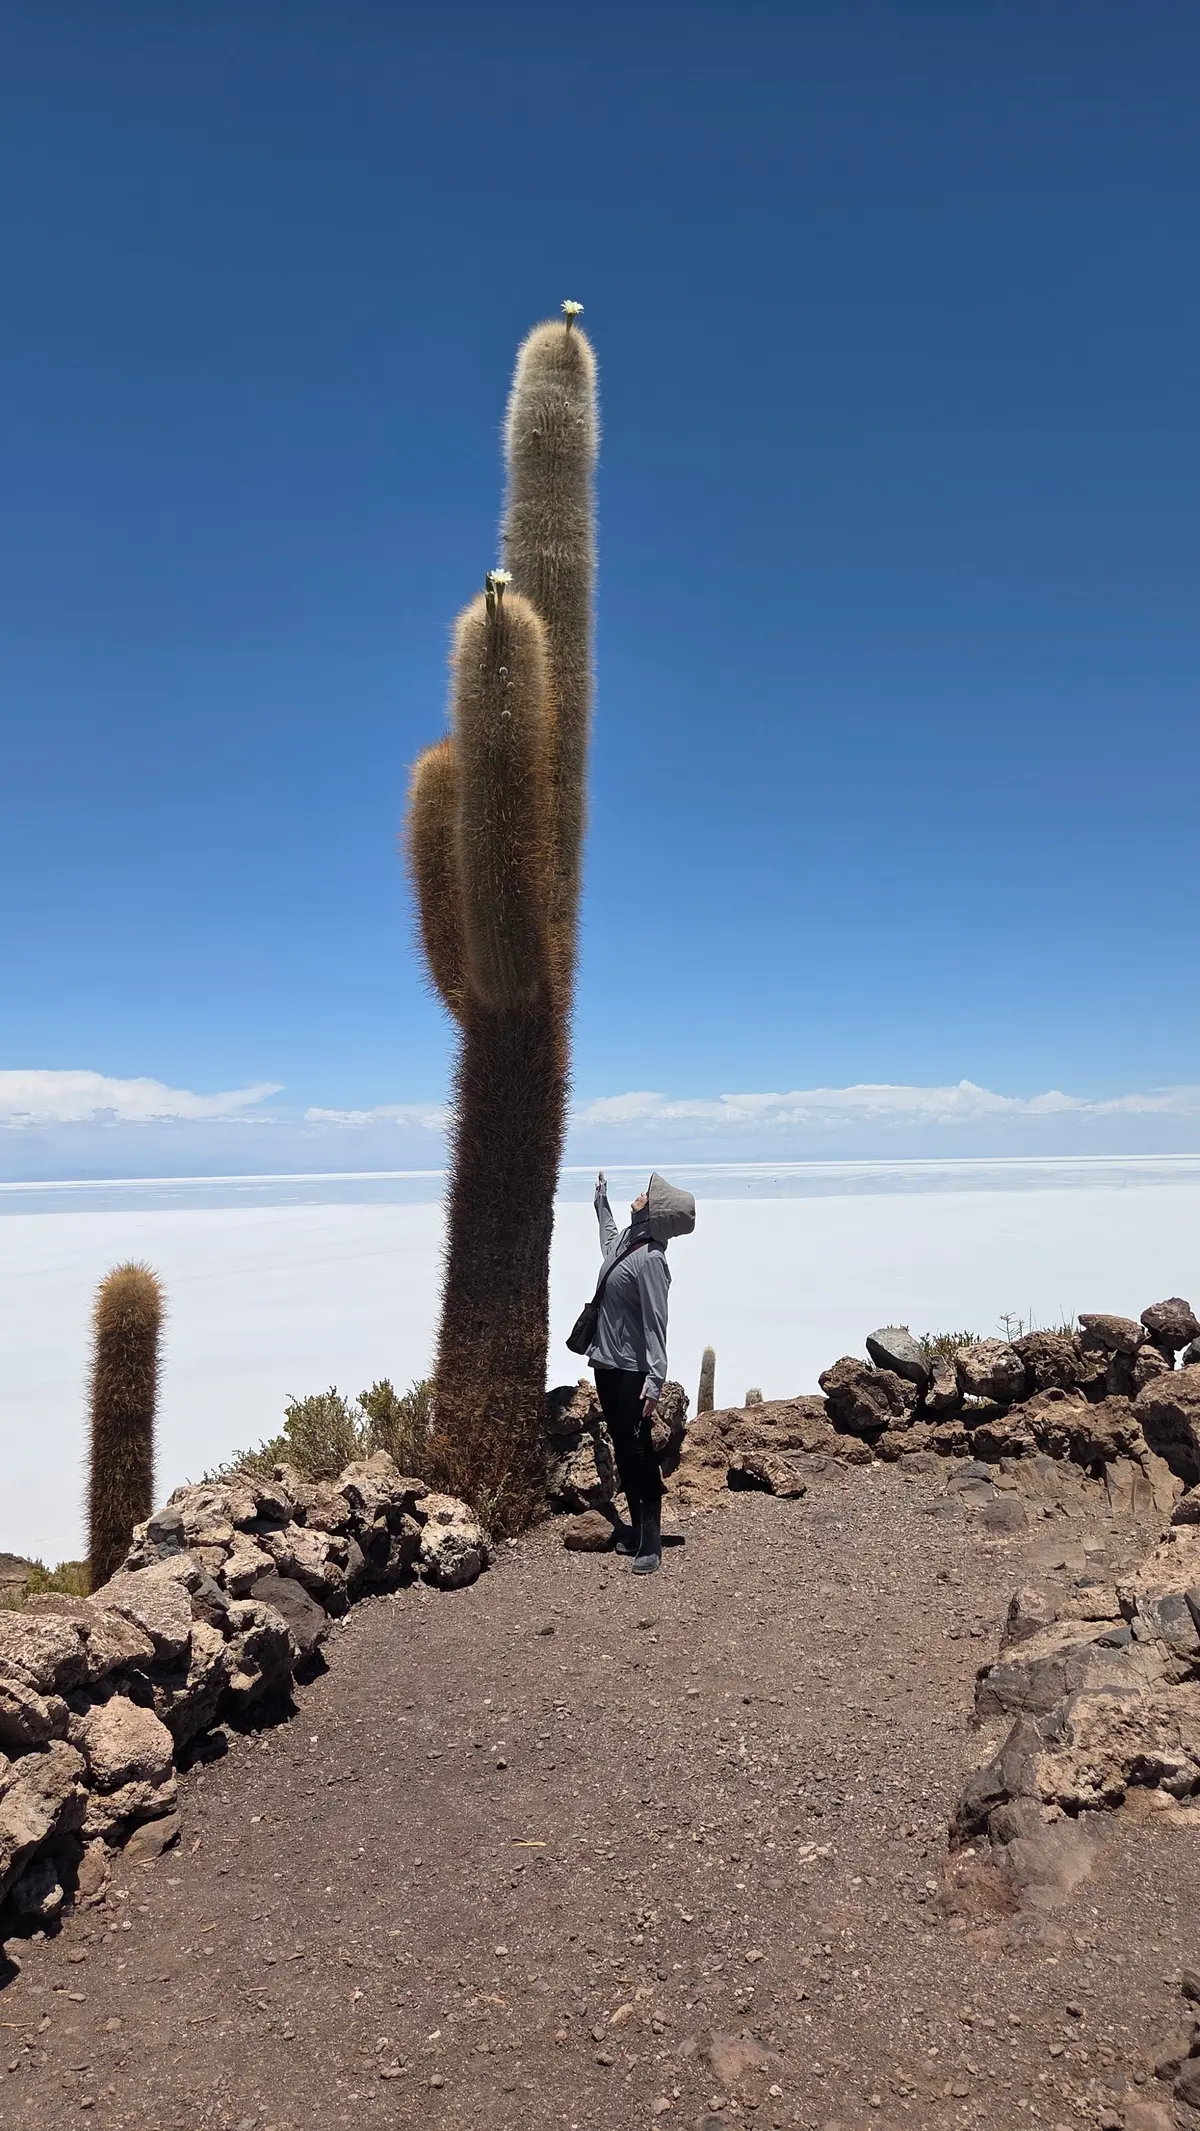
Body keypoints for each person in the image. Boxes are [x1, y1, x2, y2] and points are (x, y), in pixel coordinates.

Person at [588, 1169, 696, 1574]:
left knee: (638, 1451)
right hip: (606, 1363)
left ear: (655, 1213)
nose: (641, 1195)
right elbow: (607, 1241)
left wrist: (655, 1380)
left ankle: (651, 1538)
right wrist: (601, 1201)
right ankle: (636, 1529)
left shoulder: (652, 1260)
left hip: (633, 1371)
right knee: (623, 1446)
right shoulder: (628, 1242)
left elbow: (656, 1324)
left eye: (647, 1197)